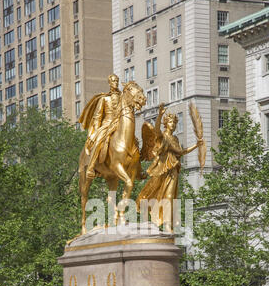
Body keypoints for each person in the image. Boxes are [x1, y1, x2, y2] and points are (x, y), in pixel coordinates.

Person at [136, 103, 203, 232]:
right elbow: (155, 130)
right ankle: (145, 214)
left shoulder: (175, 138)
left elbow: (181, 152)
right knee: (151, 193)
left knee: (170, 196)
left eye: (174, 122)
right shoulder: (162, 137)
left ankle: (167, 224)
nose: (173, 124)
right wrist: (160, 115)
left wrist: (197, 145)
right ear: (166, 123)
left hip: (173, 170)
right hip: (161, 171)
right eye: (171, 122)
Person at [79, 73, 121, 180]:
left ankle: (137, 167)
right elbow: (97, 116)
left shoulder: (122, 98)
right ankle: (91, 167)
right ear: (109, 83)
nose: (115, 83)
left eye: (116, 80)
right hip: (107, 124)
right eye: (113, 81)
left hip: (120, 125)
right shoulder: (104, 99)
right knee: (99, 141)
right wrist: (96, 131)